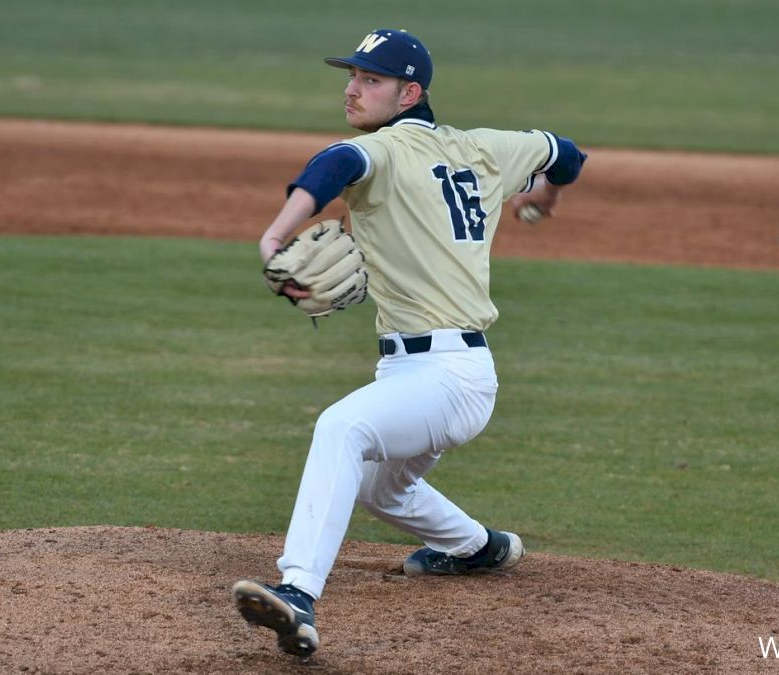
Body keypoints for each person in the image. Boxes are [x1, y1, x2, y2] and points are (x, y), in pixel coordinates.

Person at [232, 28, 587, 658]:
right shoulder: (486, 149)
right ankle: (479, 547)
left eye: (370, 80)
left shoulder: (387, 152)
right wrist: (544, 195)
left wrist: (275, 235)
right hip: (431, 378)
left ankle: (299, 593)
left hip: (448, 379)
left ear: (409, 92)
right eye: (352, 76)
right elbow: (566, 153)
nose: (351, 88)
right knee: (376, 486)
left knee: (340, 429)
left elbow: (336, 164)